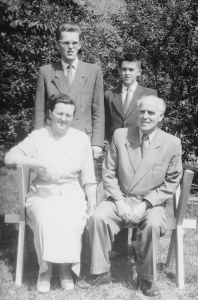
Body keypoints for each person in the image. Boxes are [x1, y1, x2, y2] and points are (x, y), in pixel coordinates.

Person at [83, 96, 183, 297]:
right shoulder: (121, 135)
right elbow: (108, 172)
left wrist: (145, 205)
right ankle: (101, 272)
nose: (145, 116)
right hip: (120, 198)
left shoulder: (172, 143)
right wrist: (119, 202)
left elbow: (172, 181)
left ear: (161, 117)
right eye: (142, 111)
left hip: (151, 203)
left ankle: (146, 277)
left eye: (151, 113)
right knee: (98, 217)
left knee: (154, 224)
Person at [5, 94, 97, 293]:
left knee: (72, 219)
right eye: (59, 113)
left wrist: (92, 203)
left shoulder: (80, 139)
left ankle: (65, 269)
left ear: (73, 117)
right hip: (42, 192)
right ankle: (45, 270)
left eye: (68, 115)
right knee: (46, 218)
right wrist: (41, 163)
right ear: (50, 113)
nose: (63, 118)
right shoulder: (38, 136)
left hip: (72, 192)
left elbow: (89, 177)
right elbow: (9, 157)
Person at [104, 52, 158, 259]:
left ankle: (138, 245)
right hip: (118, 151)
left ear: (139, 72)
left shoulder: (149, 92)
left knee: (138, 192)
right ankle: (117, 247)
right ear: (119, 71)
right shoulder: (110, 94)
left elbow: (152, 120)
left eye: (131, 69)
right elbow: (109, 123)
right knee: (119, 193)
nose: (127, 73)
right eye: (124, 69)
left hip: (141, 149)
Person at [34, 22, 104, 159]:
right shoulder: (46, 72)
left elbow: (98, 110)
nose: (71, 47)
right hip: (53, 138)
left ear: (80, 45)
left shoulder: (93, 71)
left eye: (74, 43)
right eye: (66, 43)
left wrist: (97, 143)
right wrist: (37, 140)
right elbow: (39, 111)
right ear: (57, 45)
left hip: (83, 139)